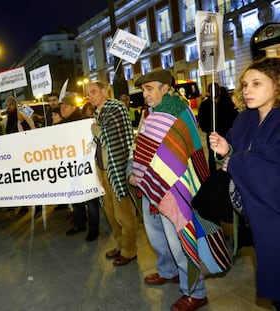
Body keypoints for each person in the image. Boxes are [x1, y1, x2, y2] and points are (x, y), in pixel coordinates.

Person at [128, 69, 233, 311]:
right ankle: (169, 271)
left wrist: (143, 174)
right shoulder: (152, 111)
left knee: (180, 241)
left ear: (166, 88)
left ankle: (196, 292)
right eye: (143, 90)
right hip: (152, 184)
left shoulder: (177, 111)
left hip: (173, 188)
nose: (144, 94)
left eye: (149, 88)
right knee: (157, 235)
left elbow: (182, 151)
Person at [209, 57, 280, 310]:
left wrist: (237, 163)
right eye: (245, 84)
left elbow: (271, 165)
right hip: (257, 215)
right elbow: (240, 151)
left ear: (277, 85)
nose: (247, 90)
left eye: (257, 83)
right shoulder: (246, 119)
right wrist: (227, 149)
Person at [88, 81, 138, 265]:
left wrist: (95, 129)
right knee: (110, 213)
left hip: (117, 168)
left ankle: (130, 250)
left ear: (104, 91)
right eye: (88, 93)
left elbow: (108, 135)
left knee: (124, 214)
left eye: (93, 92)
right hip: (104, 170)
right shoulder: (97, 112)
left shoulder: (116, 108)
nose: (90, 96)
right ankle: (120, 245)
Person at [59, 95, 100, 241]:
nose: (61, 109)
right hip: (70, 167)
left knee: (90, 200)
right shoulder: (62, 125)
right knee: (75, 197)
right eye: (61, 107)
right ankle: (80, 223)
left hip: (85, 166)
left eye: (65, 106)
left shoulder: (83, 122)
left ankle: (94, 229)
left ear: (73, 107)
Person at [1, 96, 39, 218]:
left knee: (31, 180)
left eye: (10, 105)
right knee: (20, 181)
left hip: (25, 153)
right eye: (7, 105)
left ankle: (38, 205)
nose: (8, 107)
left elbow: (33, 131)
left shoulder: (23, 116)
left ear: (15, 105)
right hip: (13, 155)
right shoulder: (5, 121)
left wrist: (23, 122)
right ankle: (24, 206)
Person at [198, 83, 238, 174]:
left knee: (228, 154)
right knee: (212, 156)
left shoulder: (227, 103)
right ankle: (213, 175)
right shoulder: (204, 105)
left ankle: (228, 172)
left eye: (216, 89)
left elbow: (233, 117)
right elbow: (202, 120)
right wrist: (209, 130)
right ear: (208, 92)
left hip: (226, 133)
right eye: (211, 90)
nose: (214, 92)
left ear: (219, 91)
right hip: (212, 134)